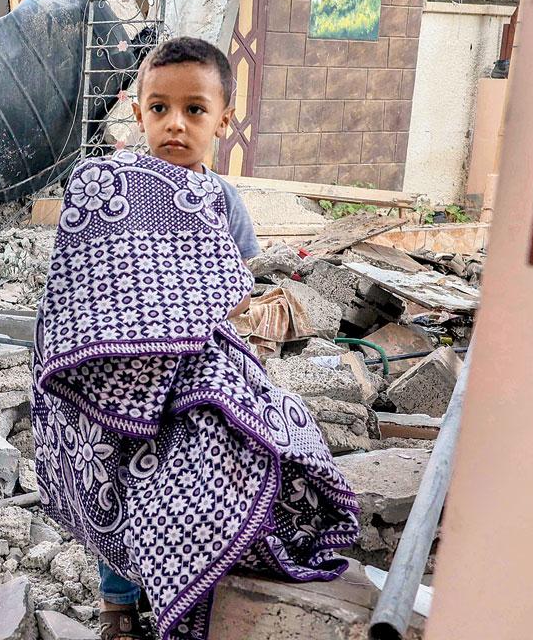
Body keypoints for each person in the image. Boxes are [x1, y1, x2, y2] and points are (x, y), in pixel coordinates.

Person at [31, 37, 360, 640]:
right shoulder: (105, 188)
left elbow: (235, 286)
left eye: (195, 110)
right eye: (159, 109)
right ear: (137, 113)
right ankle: (118, 610)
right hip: (110, 374)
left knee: (221, 458)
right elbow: (77, 287)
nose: (175, 124)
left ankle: (191, 585)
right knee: (115, 474)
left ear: (223, 119)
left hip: (192, 371)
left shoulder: (222, 199)